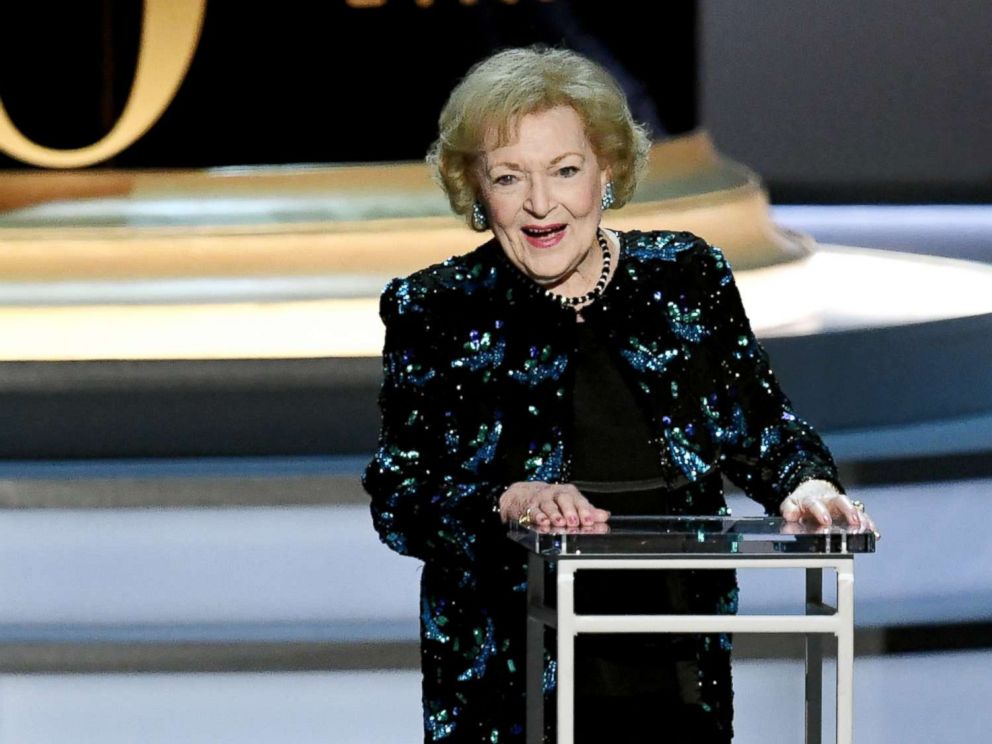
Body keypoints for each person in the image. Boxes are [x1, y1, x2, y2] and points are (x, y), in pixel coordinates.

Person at [362, 45, 877, 743]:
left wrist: (805, 484)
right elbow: (403, 497)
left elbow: (761, 426)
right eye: (510, 177)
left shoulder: (685, 279)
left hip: (671, 671)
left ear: (605, 171)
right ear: (476, 190)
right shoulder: (437, 309)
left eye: (565, 171)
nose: (540, 204)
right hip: (511, 687)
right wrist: (507, 500)